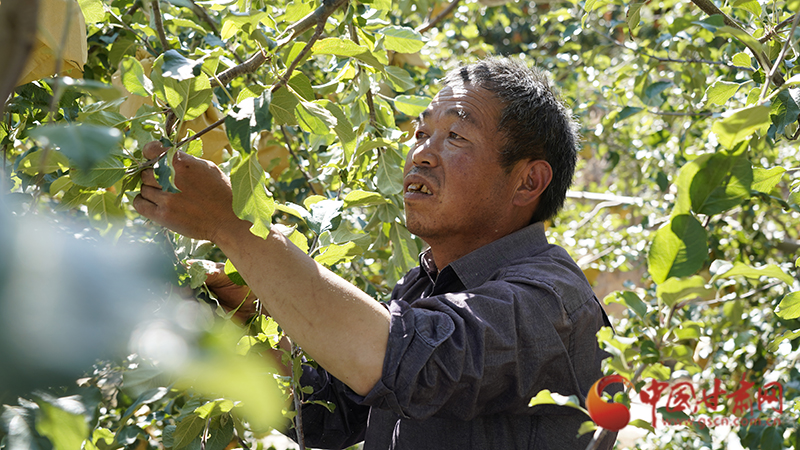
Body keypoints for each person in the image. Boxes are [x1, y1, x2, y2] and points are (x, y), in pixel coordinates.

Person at [134, 56, 615, 449]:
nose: (423, 153)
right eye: (421, 133)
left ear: (528, 181)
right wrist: (238, 313)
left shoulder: (552, 300)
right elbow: (329, 414)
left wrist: (233, 225)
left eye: (456, 136)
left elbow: (405, 362)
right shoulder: (424, 285)